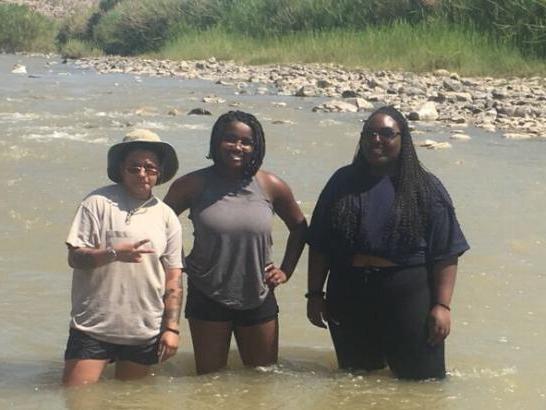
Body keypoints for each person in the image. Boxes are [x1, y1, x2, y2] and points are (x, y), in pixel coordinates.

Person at [306, 106, 469, 380]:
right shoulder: (341, 182)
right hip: (348, 292)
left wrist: (442, 306)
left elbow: (446, 253)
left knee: (422, 382)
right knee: (356, 380)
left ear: (403, 140)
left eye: (386, 133)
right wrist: (314, 295)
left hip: (406, 292)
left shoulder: (426, 187)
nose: (376, 140)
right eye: (369, 133)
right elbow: (320, 244)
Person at [164, 111, 306, 374]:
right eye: (230, 139)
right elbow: (160, 224)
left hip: (258, 291)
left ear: (256, 147)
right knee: (209, 383)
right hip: (207, 292)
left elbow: (299, 227)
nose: (238, 147)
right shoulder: (191, 185)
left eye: (246, 141)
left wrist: (286, 270)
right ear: (216, 141)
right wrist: (180, 264)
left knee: (262, 380)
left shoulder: (271, 185)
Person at [62, 129, 184, 386]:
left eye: (150, 168)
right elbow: (75, 257)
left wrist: (171, 328)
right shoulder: (96, 202)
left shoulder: (167, 216)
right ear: (121, 168)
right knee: (78, 400)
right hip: (93, 327)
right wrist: (113, 254)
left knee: (130, 401)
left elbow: (174, 278)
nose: (142, 173)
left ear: (159, 172)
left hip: (143, 329)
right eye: (134, 167)